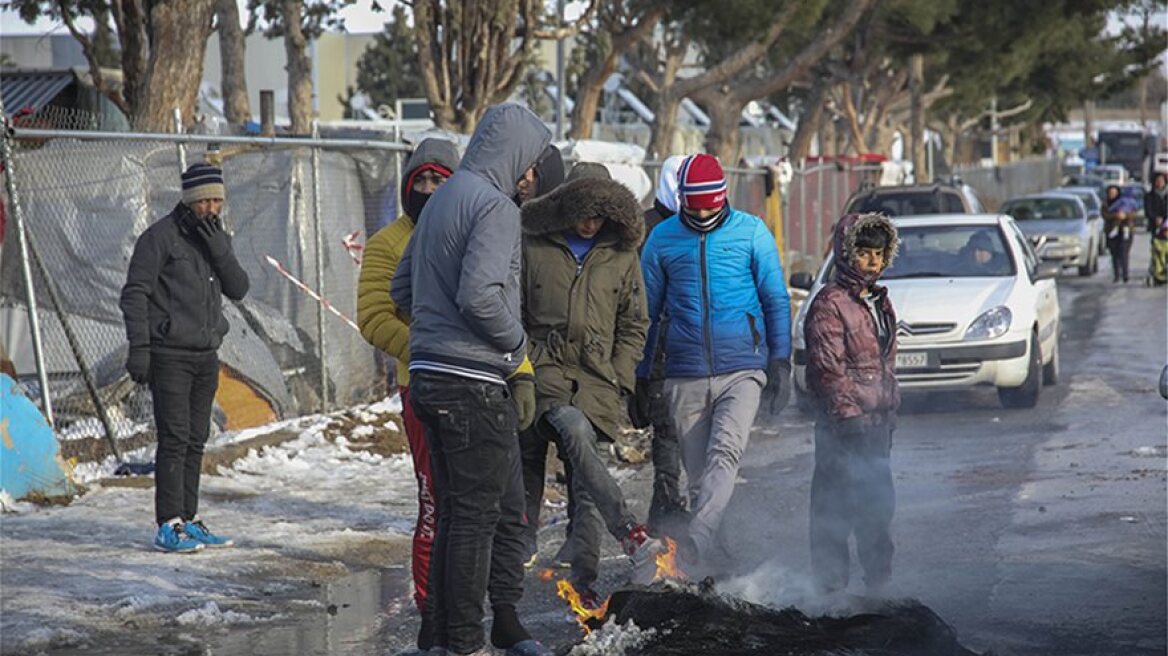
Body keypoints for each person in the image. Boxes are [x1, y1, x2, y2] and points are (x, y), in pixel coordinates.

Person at [390, 103, 551, 656]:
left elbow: (401, 291)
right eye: (528, 163)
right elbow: (480, 295)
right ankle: (462, 643)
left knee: (458, 516)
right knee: (477, 521)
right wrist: (516, 344)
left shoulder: (442, 202)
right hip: (472, 381)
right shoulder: (495, 207)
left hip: (429, 378)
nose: (531, 176)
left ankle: (436, 636)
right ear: (512, 158)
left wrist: (434, 335)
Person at [636, 153, 792, 573]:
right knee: (699, 473)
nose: (702, 212)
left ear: (722, 196)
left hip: (742, 366)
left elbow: (775, 299)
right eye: (694, 204)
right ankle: (715, 560)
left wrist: (780, 359)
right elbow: (646, 314)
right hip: (683, 371)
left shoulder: (752, 233)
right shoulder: (662, 240)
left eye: (709, 203)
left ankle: (695, 546)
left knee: (725, 453)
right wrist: (640, 374)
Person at [518, 162, 663, 606]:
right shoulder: (533, 245)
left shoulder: (620, 255)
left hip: (599, 381)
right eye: (583, 211)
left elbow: (635, 323)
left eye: (600, 214)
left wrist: (619, 375)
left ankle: (584, 586)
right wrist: (524, 362)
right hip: (543, 373)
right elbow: (514, 310)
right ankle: (632, 534)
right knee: (568, 434)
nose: (590, 222)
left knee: (585, 483)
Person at [119, 162, 250, 553]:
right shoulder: (159, 238)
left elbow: (239, 288)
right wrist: (139, 348)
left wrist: (220, 250)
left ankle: (189, 520)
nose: (212, 208)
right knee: (174, 439)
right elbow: (134, 294)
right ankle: (168, 523)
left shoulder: (214, 238)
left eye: (217, 201)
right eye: (205, 200)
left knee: (197, 438)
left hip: (205, 353)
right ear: (190, 200)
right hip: (169, 354)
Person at [356, 138, 459, 624]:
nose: (430, 188)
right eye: (421, 180)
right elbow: (375, 317)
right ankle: (430, 605)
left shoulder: (471, 232)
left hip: (476, 385)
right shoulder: (387, 243)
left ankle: (466, 601)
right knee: (434, 499)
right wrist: (428, 348)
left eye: (440, 179)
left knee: (475, 504)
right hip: (420, 384)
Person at [804, 212, 900, 597]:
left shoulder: (877, 301)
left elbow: (882, 364)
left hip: (876, 424)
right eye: (864, 252)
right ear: (846, 254)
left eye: (879, 253)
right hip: (842, 427)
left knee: (878, 508)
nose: (872, 261)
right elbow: (829, 368)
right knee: (834, 509)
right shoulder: (830, 303)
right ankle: (829, 594)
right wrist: (848, 419)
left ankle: (878, 589)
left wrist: (890, 409)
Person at [632, 156, 690, 538]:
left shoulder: (703, 225)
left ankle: (676, 519)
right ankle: (667, 519)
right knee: (669, 438)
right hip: (657, 353)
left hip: (695, 350)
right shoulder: (644, 229)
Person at [1104, 184, 1135, 283]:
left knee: (1124, 253)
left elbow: (1134, 213)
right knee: (1114, 254)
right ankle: (1117, 275)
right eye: (1110, 193)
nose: (1112, 195)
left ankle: (1125, 275)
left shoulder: (1127, 202)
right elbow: (1105, 214)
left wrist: (1125, 215)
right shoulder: (1105, 204)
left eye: (1114, 193)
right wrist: (1115, 215)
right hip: (1111, 231)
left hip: (1126, 231)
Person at [1144, 173, 1168, 286]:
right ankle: (1157, 273)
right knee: (1157, 249)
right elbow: (1148, 211)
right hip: (1156, 228)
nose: (1160, 183)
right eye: (1157, 181)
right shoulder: (1149, 196)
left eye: (1161, 181)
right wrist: (1155, 219)